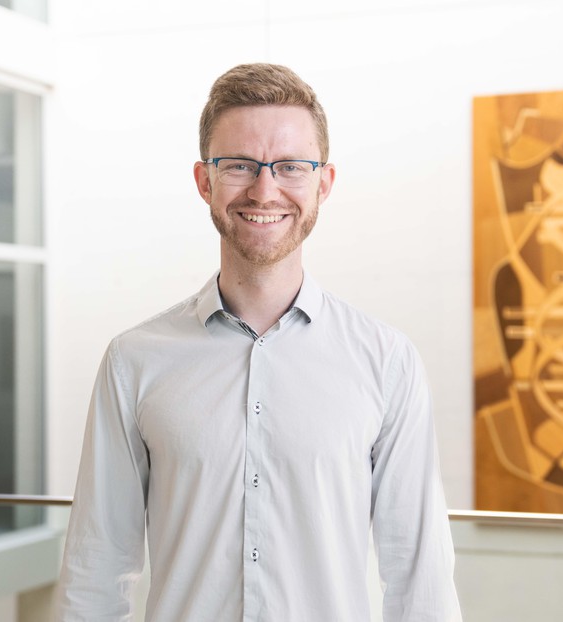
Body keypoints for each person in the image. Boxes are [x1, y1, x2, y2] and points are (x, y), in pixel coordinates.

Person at [54, 63, 461, 621]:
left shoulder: (387, 362)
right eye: (240, 165)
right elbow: (94, 569)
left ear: (324, 182)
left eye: (290, 166)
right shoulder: (134, 361)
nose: (265, 189)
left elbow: (420, 580)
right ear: (205, 182)